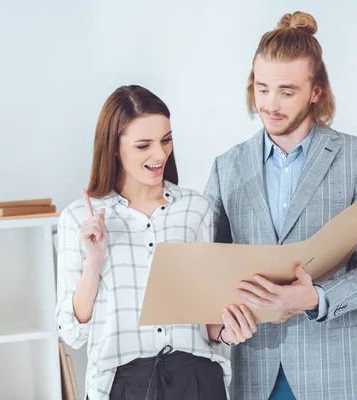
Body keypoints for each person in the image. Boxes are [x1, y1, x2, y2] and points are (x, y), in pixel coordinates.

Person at [203, 11, 357, 400]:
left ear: (316, 91)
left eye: (287, 91)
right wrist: (220, 323)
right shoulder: (226, 167)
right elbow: (208, 267)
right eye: (262, 89)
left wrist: (315, 298)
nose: (271, 104)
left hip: (343, 372)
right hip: (257, 375)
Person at [55, 85, 235, 400]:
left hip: (197, 378)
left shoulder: (196, 210)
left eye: (166, 140)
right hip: (122, 385)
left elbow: (209, 323)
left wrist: (233, 329)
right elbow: (72, 332)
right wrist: (93, 262)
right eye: (143, 145)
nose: (160, 154)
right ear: (113, 147)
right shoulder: (77, 220)